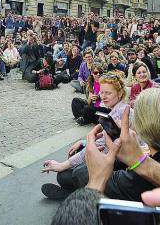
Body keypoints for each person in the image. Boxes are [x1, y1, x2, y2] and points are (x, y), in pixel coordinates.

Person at [41, 72, 132, 200]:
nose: (103, 96)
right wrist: (84, 142)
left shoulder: (120, 113)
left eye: (108, 93)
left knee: (65, 175)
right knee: (68, 169)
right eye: (102, 92)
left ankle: (72, 195)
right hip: (115, 159)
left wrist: (63, 164)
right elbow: (101, 141)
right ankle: (73, 192)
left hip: (118, 163)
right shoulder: (117, 110)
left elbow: (100, 147)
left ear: (120, 93)